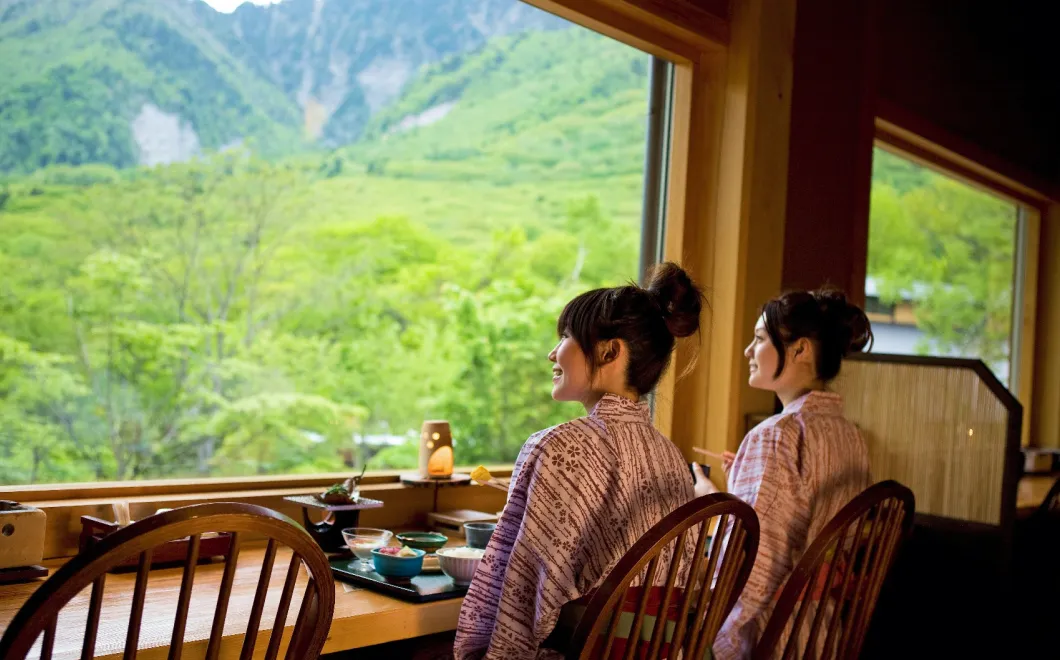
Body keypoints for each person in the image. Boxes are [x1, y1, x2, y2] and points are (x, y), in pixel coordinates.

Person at [453, 262, 706, 660]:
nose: (552, 352)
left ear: (609, 350)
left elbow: (518, 590)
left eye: (566, 336)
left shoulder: (559, 446)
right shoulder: (670, 455)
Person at [697, 289, 874, 659]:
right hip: (827, 634)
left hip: (774, 638)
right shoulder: (851, 434)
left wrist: (709, 502)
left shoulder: (777, 434)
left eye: (759, 339)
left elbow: (751, 561)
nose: (748, 351)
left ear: (801, 350)